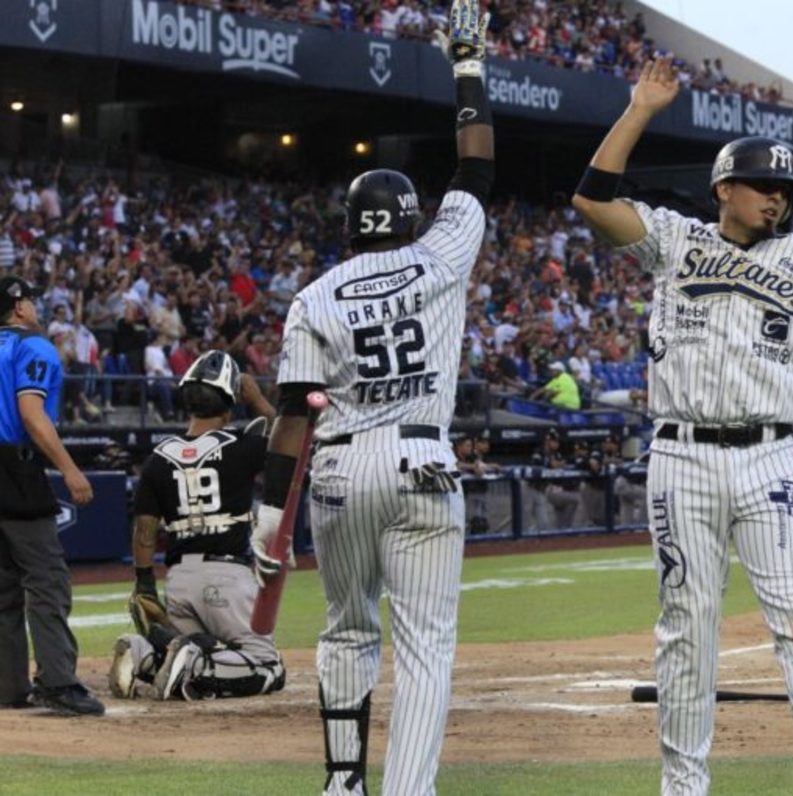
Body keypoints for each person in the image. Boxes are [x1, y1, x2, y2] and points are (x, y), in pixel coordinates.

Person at [571, 57, 793, 796]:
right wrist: (640, 111)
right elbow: (591, 200)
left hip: (769, 458)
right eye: (764, 186)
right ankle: (683, 786)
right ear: (725, 188)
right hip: (682, 453)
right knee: (687, 628)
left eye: (786, 190)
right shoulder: (675, 241)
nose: (777, 200)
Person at [251, 3, 493, 793]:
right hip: (423, 456)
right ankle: (407, 790)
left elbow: (292, 411)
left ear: (353, 227)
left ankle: (342, 780)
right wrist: (467, 66)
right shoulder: (443, 253)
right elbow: (478, 171)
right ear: (410, 220)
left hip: (340, 468)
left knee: (347, 629)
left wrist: (265, 514)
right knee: (424, 645)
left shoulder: (316, 294)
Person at [108, 351, 284, 701]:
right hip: (227, 578)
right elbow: (287, 446)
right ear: (229, 403)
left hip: (179, 583)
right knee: (267, 666)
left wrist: (144, 581)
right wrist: (259, 400)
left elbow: (144, 530)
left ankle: (144, 654)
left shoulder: (158, 457)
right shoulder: (241, 446)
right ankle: (192, 665)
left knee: (208, 648)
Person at [0, 276, 102, 715]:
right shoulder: (33, 346)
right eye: (31, 299)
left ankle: (7, 686)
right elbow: (31, 413)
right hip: (16, 469)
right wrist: (70, 468)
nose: (36, 307)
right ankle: (58, 682)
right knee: (47, 579)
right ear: (18, 307)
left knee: (3, 587)